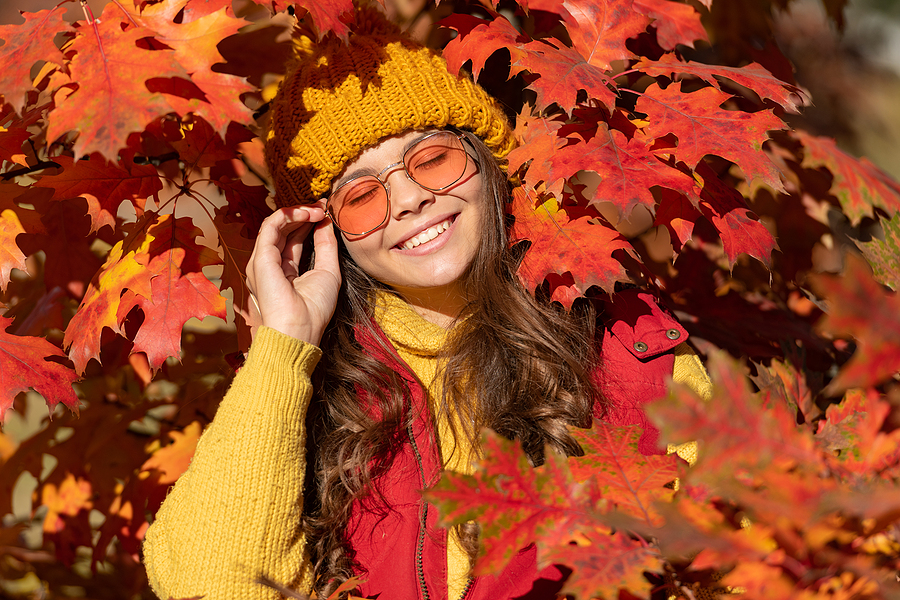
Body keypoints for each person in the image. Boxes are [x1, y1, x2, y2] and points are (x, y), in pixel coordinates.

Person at [142, 8, 711, 600]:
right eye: (362, 195)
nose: (410, 199)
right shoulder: (318, 404)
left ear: (486, 162)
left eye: (432, 158)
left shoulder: (620, 341)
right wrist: (284, 344)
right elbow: (205, 584)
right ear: (328, 235)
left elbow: (741, 551)